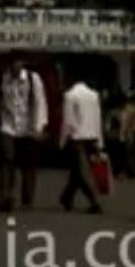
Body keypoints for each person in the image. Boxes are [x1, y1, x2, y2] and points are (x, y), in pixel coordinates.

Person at [0, 54, 46, 212]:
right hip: (8, 126)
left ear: (22, 63)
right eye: (11, 63)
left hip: (28, 127)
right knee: (7, 159)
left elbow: (40, 103)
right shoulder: (0, 80)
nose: (14, 66)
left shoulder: (33, 79)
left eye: (17, 62)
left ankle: (27, 200)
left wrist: (39, 127)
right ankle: (5, 196)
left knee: (29, 166)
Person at [58, 71, 103, 214]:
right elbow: (97, 119)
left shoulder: (70, 95)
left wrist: (62, 140)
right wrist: (100, 141)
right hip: (92, 136)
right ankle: (66, 197)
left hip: (77, 138)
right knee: (77, 172)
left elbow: (68, 121)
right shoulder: (94, 95)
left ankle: (94, 201)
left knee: (80, 172)